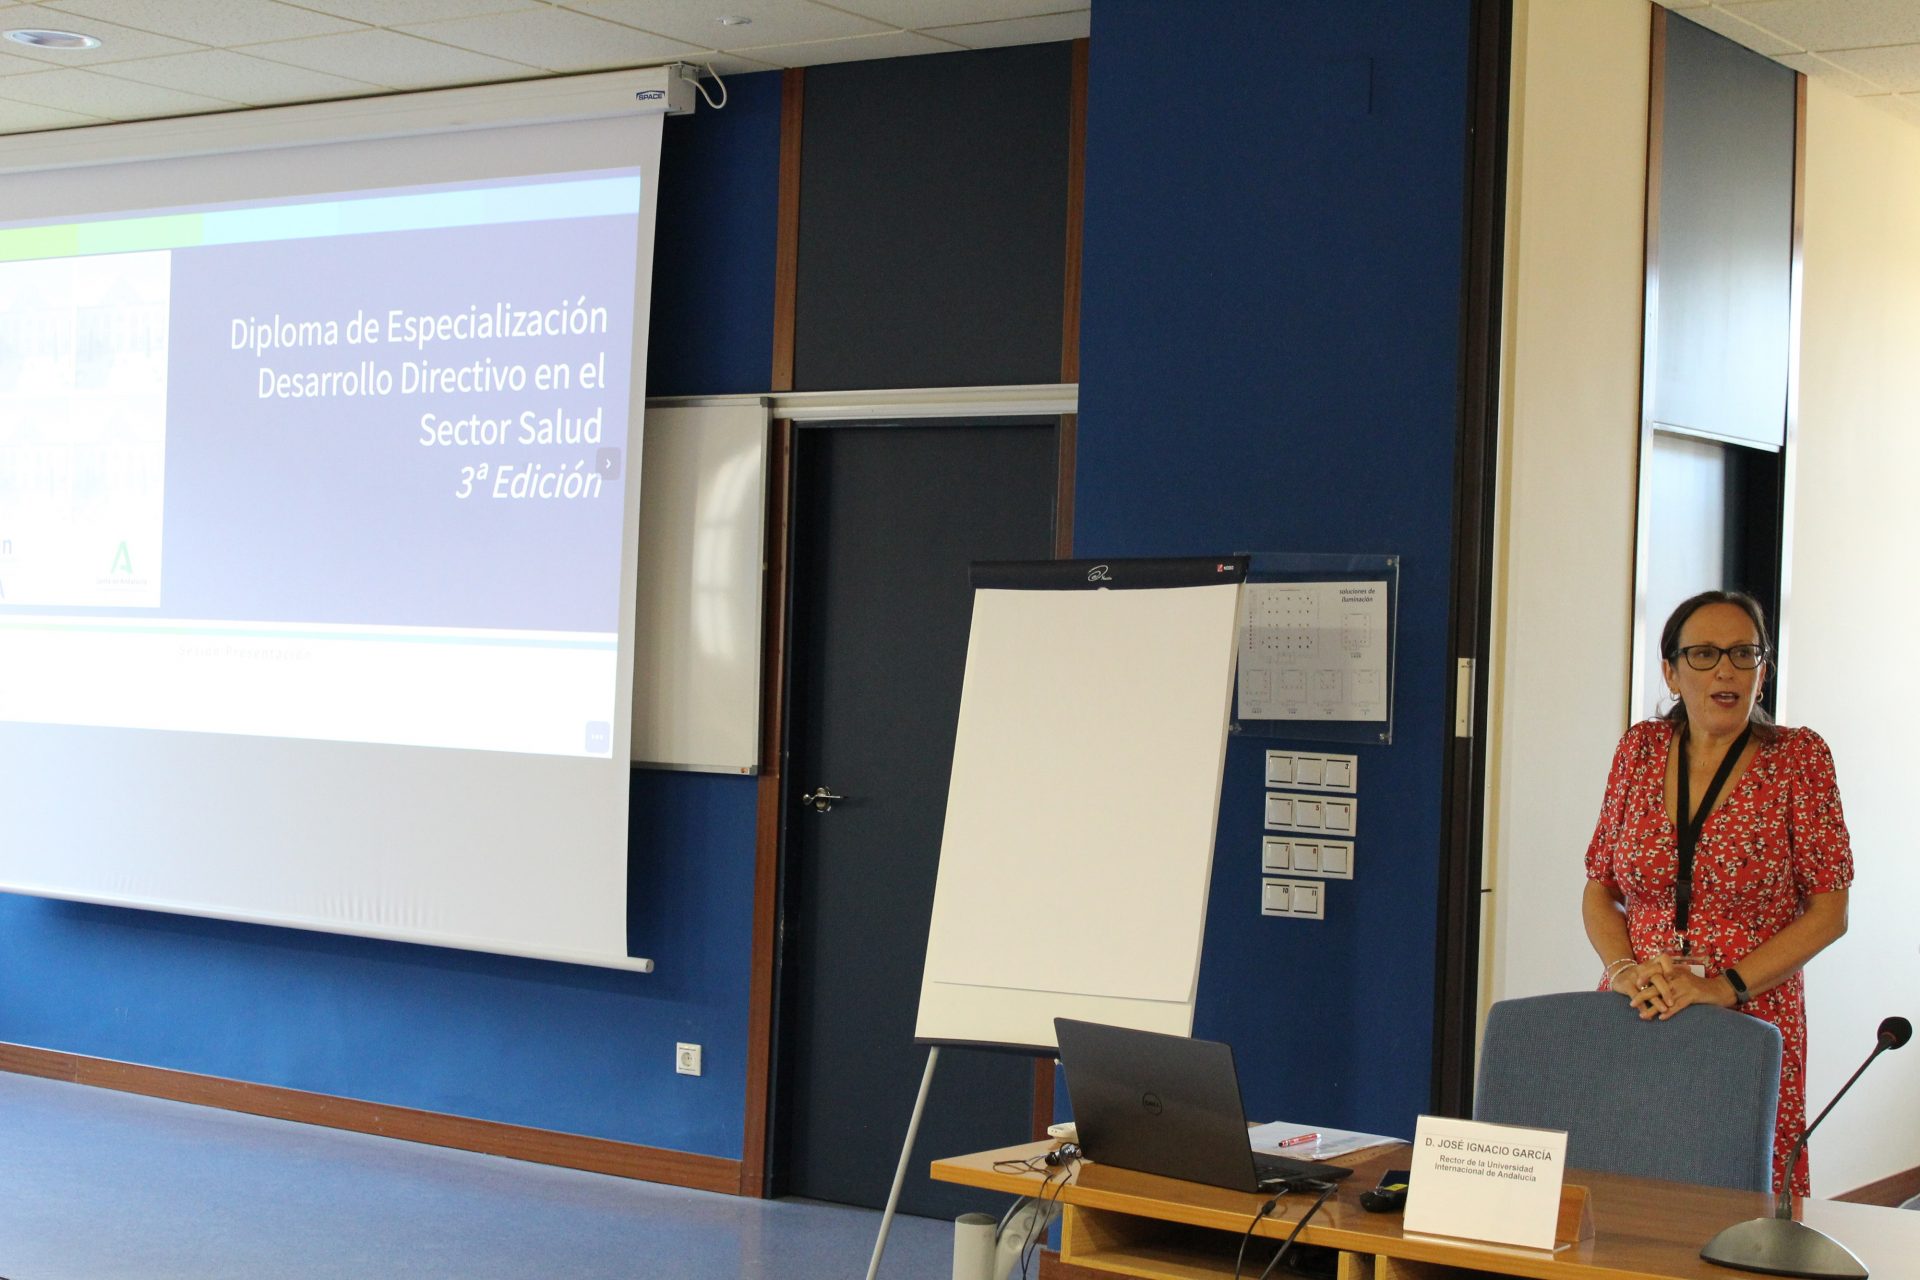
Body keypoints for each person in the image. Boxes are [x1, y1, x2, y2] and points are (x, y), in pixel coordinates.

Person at [1582, 590, 1851, 1196]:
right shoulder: (1639, 749)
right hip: (1640, 1004)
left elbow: (1830, 912)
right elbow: (1600, 888)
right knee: (1627, 1183)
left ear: (1763, 670)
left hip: (1749, 1011)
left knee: (1740, 1197)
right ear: (1671, 672)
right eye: (1703, 654)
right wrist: (1622, 970)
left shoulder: (1799, 758)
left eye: (1743, 653)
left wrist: (1722, 987)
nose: (1725, 670)